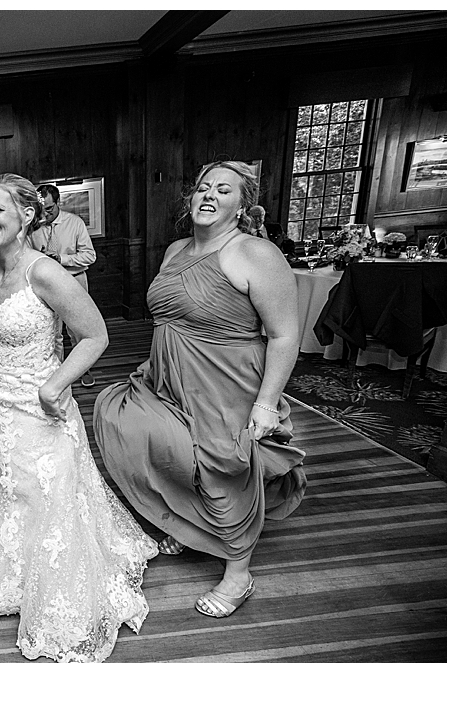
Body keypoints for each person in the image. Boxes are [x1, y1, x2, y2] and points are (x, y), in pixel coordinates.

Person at [0, 174, 156, 663]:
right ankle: (12, 577)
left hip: (37, 410)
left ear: (26, 216)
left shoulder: (47, 272)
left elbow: (95, 336)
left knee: (41, 498)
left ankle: (52, 588)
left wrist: (56, 385)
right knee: (3, 493)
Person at [94, 161, 307, 619]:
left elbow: (286, 335)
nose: (208, 196)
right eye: (203, 188)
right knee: (147, 436)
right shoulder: (175, 250)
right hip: (168, 374)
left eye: (223, 190)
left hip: (226, 379)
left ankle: (238, 574)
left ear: (242, 206)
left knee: (220, 466)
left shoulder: (254, 254)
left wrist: (267, 402)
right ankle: (195, 524)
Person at [31, 183, 98, 387]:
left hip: (74, 281)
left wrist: (61, 258)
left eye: (49, 209)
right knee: (53, 332)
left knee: (77, 330)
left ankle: (83, 369)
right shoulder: (33, 228)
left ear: (58, 202)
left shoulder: (75, 223)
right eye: (41, 210)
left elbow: (90, 256)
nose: (45, 214)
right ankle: (57, 375)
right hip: (47, 285)